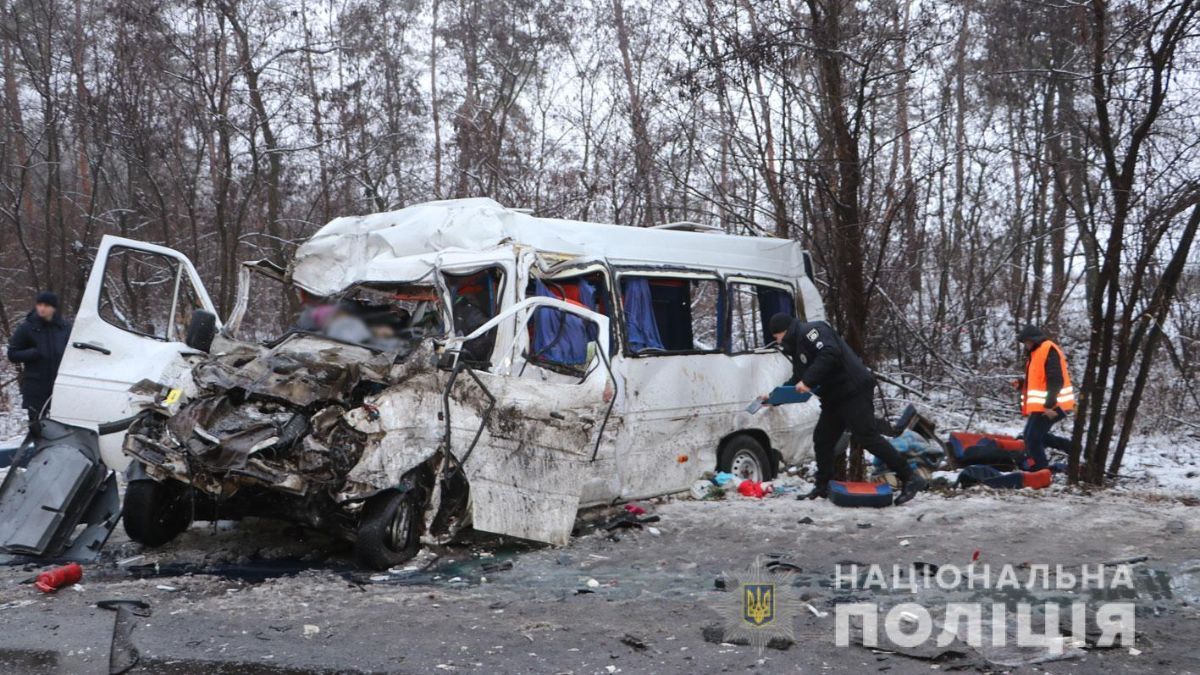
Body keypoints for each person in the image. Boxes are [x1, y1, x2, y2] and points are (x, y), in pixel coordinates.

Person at [765, 313, 927, 505]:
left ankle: (910, 477)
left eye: (777, 336)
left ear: (784, 330)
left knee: (867, 437)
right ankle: (822, 486)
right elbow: (797, 379)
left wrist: (808, 381)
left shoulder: (812, 331)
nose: (778, 341)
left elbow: (829, 353)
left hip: (853, 390)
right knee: (823, 439)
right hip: (834, 397)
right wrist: (774, 397)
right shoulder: (797, 349)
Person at [6, 291, 72, 420]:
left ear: (54, 308)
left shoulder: (64, 328)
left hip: (59, 384)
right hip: (35, 385)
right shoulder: (27, 328)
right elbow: (12, 354)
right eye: (40, 304)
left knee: (60, 424)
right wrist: (32, 353)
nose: (42, 308)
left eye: (46, 305)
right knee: (36, 424)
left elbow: (71, 352)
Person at [1017, 324, 1074, 471]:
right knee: (1031, 436)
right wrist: (1022, 385)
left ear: (1033, 339)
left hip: (1053, 405)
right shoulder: (1036, 353)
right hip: (1045, 405)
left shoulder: (1048, 349)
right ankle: (1074, 449)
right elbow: (1040, 381)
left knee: (1032, 437)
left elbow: (1056, 379)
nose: (1026, 346)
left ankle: (1040, 471)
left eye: (1027, 342)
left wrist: (1049, 405)